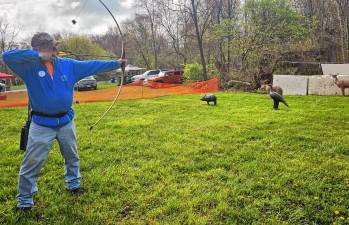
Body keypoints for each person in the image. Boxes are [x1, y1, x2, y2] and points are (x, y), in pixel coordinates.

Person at [2, 32, 126, 211]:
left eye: (53, 47)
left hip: (66, 122)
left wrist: (116, 63)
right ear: (38, 49)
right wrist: (37, 55)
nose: (53, 51)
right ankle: (25, 200)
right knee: (31, 163)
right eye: (48, 48)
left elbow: (92, 65)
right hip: (41, 124)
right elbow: (6, 56)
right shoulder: (28, 67)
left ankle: (73, 184)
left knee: (72, 156)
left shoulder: (68, 65)